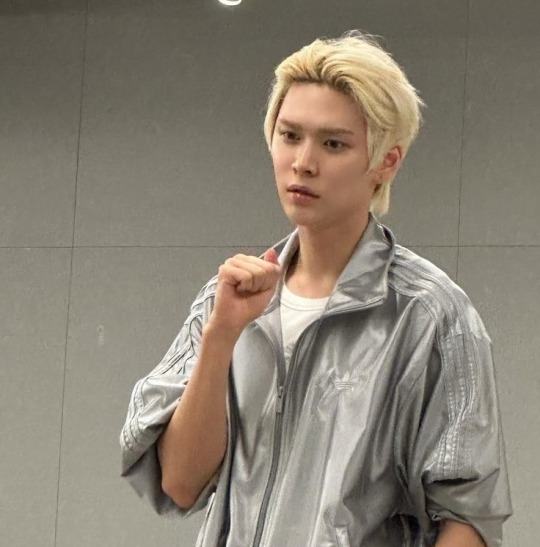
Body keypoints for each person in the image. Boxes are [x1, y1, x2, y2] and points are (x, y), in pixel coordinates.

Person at [119, 31, 512, 546]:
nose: (303, 161)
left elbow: (467, 518)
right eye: (289, 135)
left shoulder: (430, 316)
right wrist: (220, 336)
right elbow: (180, 483)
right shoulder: (226, 301)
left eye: (333, 143)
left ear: (386, 162)